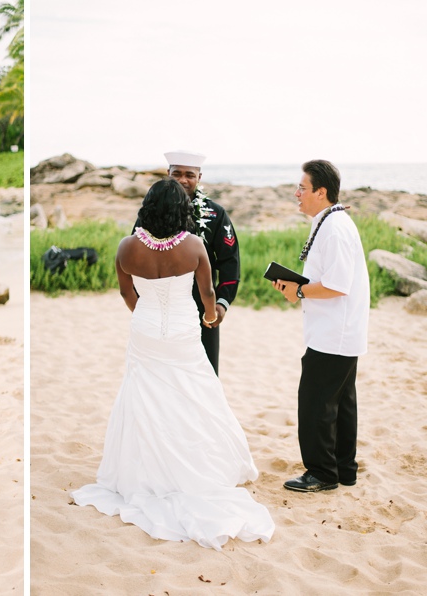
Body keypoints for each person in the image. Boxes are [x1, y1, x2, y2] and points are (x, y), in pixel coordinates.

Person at [73, 179, 274, 550]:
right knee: (194, 392)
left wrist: (145, 315)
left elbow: (125, 292)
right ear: (182, 210)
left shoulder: (126, 247)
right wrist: (211, 317)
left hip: (145, 329)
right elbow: (208, 292)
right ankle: (198, 463)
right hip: (183, 329)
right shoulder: (194, 245)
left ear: (147, 208)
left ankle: (146, 468)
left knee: (144, 394)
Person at [273, 160, 370, 492]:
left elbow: (338, 284)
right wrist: (296, 286)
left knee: (315, 403)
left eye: (302, 187)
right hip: (337, 330)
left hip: (334, 333)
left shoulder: (336, 227)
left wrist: (298, 289)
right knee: (341, 404)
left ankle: (322, 473)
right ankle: (344, 470)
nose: (296, 193)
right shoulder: (329, 222)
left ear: (321, 191)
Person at [135, 150, 240, 375]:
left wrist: (221, 304)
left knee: (204, 374)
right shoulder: (150, 212)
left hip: (203, 309)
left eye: (190, 175)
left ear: (199, 177)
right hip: (160, 311)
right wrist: (144, 304)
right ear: (168, 174)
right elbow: (137, 256)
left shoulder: (215, 214)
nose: (183, 180)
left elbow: (230, 262)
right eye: (177, 174)